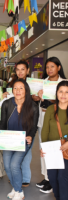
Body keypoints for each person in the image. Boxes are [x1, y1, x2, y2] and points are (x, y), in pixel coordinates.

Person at [0, 79, 39, 200]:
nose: (18, 91)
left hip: (23, 141)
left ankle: (19, 191)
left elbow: (34, 127)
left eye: (21, 88)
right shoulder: (7, 104)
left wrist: (30, 136)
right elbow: (3, 123)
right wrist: (0, 135)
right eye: (15, 88)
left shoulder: (33, 107)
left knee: (15, 164)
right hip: (9, 140)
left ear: (26, 90)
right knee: (7, 165)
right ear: (12, 90)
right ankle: (16, 188)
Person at [36, 57, 66, 193]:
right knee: (45, 148)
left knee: (59, 149)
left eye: (52, 67)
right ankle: (47, 177)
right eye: (47, 67)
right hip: (43, 117)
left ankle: (57, 179)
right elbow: (34, 98)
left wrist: (54, 98)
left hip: (59, 120)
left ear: (59, 68)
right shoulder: (43, 82)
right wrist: (38, 95)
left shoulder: (64, 84)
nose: (49, 70)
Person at [2, 60, 34, 187]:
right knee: (11, 156)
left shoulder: (33, 84)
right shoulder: (11, 83)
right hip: (14, 123)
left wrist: (37, 97)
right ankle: (15, 177)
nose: (20, 72)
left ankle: (24, 178)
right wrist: (4, 95)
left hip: (28, 122)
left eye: (23, 69)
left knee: (25, 154)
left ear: (27, 70)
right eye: (18, 69)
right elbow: (7, 104)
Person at [40, 80, 68, 200]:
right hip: (52, 150)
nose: (63, 94)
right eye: (61, 91)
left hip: (66, 150)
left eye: (67, 92)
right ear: (56, 93)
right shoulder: (51, 109)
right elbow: (45, 131)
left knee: (62, 177)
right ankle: (58, 197)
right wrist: (43, 147)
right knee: (52, 177)